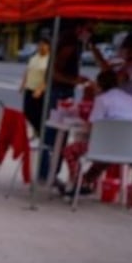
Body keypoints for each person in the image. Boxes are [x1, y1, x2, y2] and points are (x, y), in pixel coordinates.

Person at [60, 69, 132, 197]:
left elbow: (93, 126)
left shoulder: (102, 99)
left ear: (100, 85)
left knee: (69, 151)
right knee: (104, 157)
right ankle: (86, 180)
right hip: (129, 150)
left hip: (104, 145)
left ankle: (77, 181)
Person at [39, 21, 93, 184]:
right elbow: (53, 73)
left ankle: (49, 172)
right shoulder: (69, 45)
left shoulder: (71, 43)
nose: (91, 33)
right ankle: (48, 172)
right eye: (90, 29)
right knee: (54, 134)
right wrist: (74, 80)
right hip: (60, 92)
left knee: (56, 135)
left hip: (63, 90)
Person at [86, 31, 132, 97]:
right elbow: (107, 69)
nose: (127, 50)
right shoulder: (125, 63)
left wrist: (94, 49)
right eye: (125, 46)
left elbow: (112, 80)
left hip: (123, 104)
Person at [20, 35, 51, 136]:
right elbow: (28, 70)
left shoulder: (49, 60)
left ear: (48, 46)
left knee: (39, 114)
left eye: (44, 45)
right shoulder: (34, 57)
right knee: (27, 112)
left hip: (40, 91)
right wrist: (23, 84)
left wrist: (40, 89)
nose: (41, 47)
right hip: (29, 88)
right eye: (39, 44)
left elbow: (49, 77)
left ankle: (41, 133)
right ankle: (39, 131)